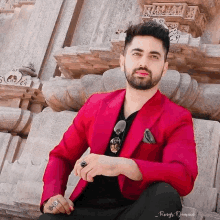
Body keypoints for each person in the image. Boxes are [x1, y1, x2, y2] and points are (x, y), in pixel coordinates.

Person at [37, 20, 198, 220]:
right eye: (137, 54)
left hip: (135, 211)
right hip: (83, 210)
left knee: (166, 197)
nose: (143, 63)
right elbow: (61, 156)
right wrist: (52, 196)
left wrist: (123, 165)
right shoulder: (96, 104)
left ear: (164, 68)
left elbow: (183, 177)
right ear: (122, 61)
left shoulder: (177, 117)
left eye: (154, 57)